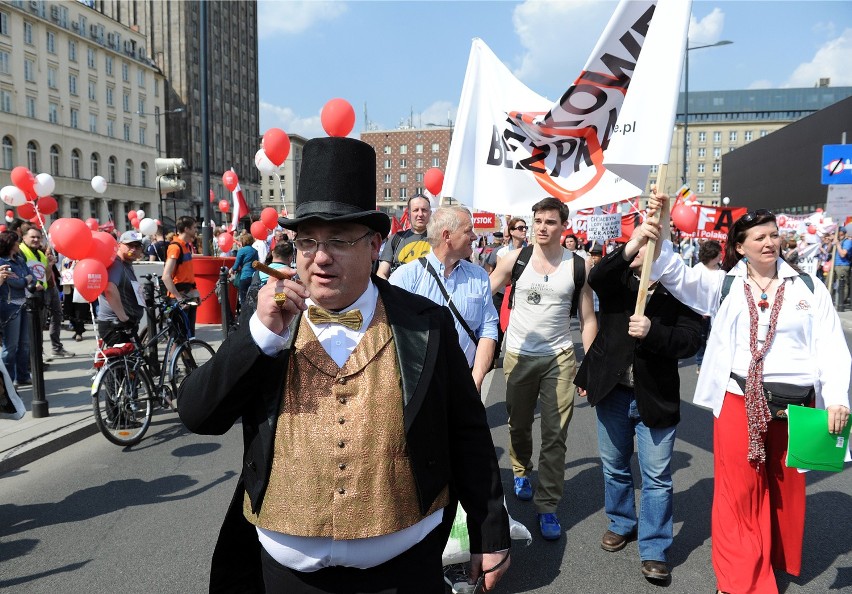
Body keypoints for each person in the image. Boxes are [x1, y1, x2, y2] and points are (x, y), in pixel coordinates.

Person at [178, 137, 510, 593]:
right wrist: (259, 335)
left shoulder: (423, 323)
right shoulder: (269, 321)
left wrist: (488, 532)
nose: (320, 256)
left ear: (374, 245)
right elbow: (198, 414)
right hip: (285, 576)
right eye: (308, 241)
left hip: (403, 569)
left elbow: (467, 428)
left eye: (338, 240)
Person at [641, 197, 851, 594]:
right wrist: (663, 222)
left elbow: (832, 346)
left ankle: (769, 559)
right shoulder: (723, 284)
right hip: (739, 400)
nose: (769, 242)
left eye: (773, 235)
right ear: (740, 246)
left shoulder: (808, 286)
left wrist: (838, 397)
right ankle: (740, 581)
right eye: (759, 237)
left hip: (797, 408)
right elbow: (670, 271)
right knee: (739, 492)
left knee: (784, 487)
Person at [574, 227, 702, 583]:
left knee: (657, 478)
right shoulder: (619, 281)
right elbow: (597, 276)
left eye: (651, 247)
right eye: (640, 246)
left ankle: (655, 548)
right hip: (613, 391)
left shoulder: (680, 291)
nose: (642, 253)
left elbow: (691, 340)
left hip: (654, 396)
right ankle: (621, 522)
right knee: (614, 465)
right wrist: (631, 244)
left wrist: (654, 331)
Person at [489, 197, 597, 540]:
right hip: (518, 355)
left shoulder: (579, 265)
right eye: (537, 221)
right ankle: (521, 468)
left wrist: (589, 366)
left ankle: (547, 506)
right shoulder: (515, 260)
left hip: (560, 358)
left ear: (563, 225)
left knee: (555, 435)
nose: (542, 227)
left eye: (550, 222)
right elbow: (481, 296)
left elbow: (588, 317)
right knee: (518, 424)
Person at [389, 206, 498, 392]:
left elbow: (488, 329)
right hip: (418, 386)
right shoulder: (406, 277)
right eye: (468, 230)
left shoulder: (479, 276)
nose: (474, 236)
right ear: (447, 236)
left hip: (465, 381)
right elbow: (390, 335)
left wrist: (476, 380)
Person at [19, 225, 73, 359]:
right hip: (30, 294)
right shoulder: (21, 252)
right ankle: (34, 358)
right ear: (24, 237)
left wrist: (49, 265)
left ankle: (40, 354)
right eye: (32, 237)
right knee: (34, 327)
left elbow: (46, 276)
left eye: (38, 237)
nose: (36, 240)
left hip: (44, 291)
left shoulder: (41, 253)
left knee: (43, 323)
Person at [490, 217, 528, 366]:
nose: (524, 230)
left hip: (522, 294)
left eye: (525, 228)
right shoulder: (503, 252)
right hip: (502, 294)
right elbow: (503, 277)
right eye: (520, 228)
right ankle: (494, 354)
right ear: (511, 232)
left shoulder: (530, 250)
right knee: (499, 325)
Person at [96, 231, 146, 339]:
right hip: (116, 325)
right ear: (119, 245)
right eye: (129, 245)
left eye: (137, 246)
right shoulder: (116, 264)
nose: (133, 249)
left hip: (123, 325)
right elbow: (109, 288)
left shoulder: (126, 263)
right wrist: (124, 318)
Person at [0, 232, 33, 388]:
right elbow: (17, 283)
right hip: (9, 306)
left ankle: (23, 376)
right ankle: (8, 380)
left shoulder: (19, 260)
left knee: (25, 343)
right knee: (11, 345)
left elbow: (30, 274)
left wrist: (25, 279)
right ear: (9, 243)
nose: (19, 244)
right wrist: (27, 279)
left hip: (24, 304)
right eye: (17, 242)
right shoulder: (2, 262)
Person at [376, 194, 432, 279]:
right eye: (416, 210)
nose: (420, 214)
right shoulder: (396, 239)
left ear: (430, 213)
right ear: (408, 215)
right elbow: (382, 273)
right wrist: (390, 291)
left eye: (424, 210)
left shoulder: (439, 239)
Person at [161, 216, 200, 337]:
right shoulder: (175, 247)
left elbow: (186, 275)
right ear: (187, 229)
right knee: (178, 337)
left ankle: (185, 356)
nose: (196, 230)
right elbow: (166, 276)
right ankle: (175, 356)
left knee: (188, 336)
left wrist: (196, 294)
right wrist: (179, 298)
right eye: (194, 227)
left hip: (188, 294)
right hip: (180, 296)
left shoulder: (185, 246)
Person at [694, 240, 722, 373]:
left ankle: (713, 363)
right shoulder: (698, 270)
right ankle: (700, 363)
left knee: (715, 338)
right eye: (718, 254)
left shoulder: (721, 270)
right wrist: (699, 309)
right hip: (702, 311)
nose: (720, 256)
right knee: (702, 337)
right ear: (711, 257)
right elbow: (693, 291)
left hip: (717, 311)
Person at [230, 232, 260, 306]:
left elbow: (236, 266)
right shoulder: (255, 251)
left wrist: (231, 269)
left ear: (243, 241)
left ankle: (244, 315)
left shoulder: (241, 251)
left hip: (244, 276)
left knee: (243, 299)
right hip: (253, 276)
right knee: (252, 299)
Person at [831, 226, 851, 306]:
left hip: (842, 265)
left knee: (843, 283)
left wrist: (838, 244)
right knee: (829, 282)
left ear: (841, 232)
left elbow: (843, 254)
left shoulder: (847, 242)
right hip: (834, 265)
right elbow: (828, 251)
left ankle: (842, 302)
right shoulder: (837, 241)